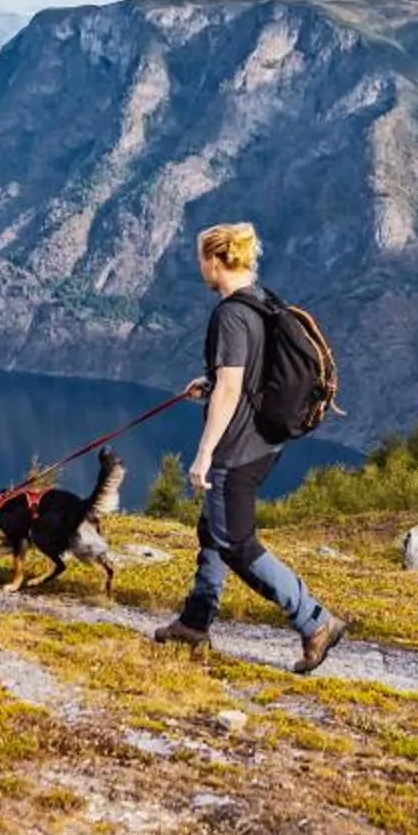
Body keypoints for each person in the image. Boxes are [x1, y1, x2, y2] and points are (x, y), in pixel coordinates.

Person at [148, 223, 346, 674]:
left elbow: (233, 387)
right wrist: (213, 381)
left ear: (215, 261)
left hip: (236, 449)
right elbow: (244, 376)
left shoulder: (230, 315)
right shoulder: (261, 299)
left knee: (236, 542)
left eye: (202, 258)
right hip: (264, 442)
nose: (200, 266)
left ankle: (315, 620)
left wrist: (204, 454)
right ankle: (195, 623)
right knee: (214, 530)